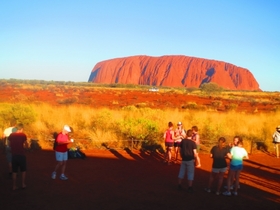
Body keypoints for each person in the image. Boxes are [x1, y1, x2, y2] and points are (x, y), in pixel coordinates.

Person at [8, 123, 28, 190]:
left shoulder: (11, 135)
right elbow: (26, 144)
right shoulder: (23, 135)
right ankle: (23, 184)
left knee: (14, 171)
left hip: (14, 155)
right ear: (22, 129)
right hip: (21, 154)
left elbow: (9, 144)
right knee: (23, 170)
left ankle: (14, 186)